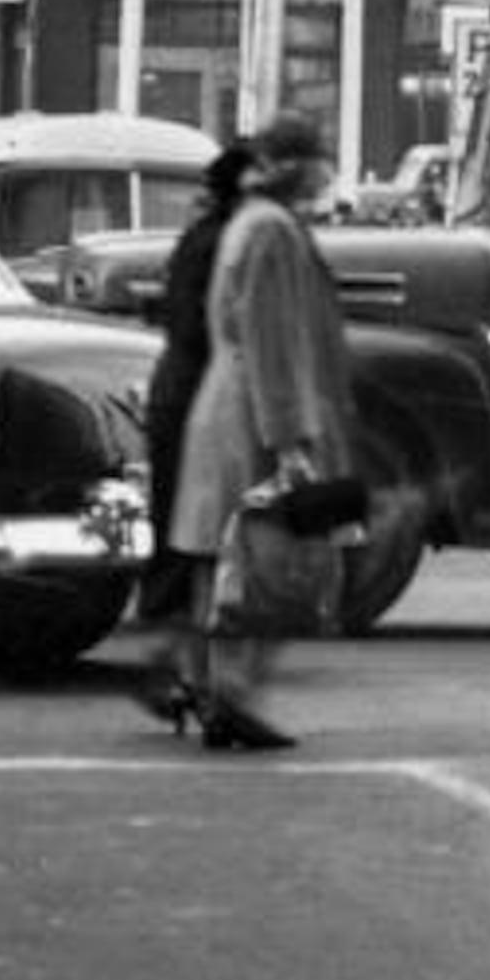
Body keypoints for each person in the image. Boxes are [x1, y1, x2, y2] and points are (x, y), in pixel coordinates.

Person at [163, 114, 354, 753]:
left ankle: (209, 688)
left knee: (218, 561)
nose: (325, 171)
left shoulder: (250, 223)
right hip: (252, 416)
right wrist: (290, 440)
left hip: (224, 406)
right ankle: (231, 697)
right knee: (257, 562)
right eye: (318, 158)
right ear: (295, 165)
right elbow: (273, 343)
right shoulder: (272, 230)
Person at [124, 140, 257, 728]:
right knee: (193, 538)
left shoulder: (204, 234)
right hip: (200, 394)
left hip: (180, 388)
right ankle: (175, 672)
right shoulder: (226, 240)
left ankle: (176, 672)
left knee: (183, 535)